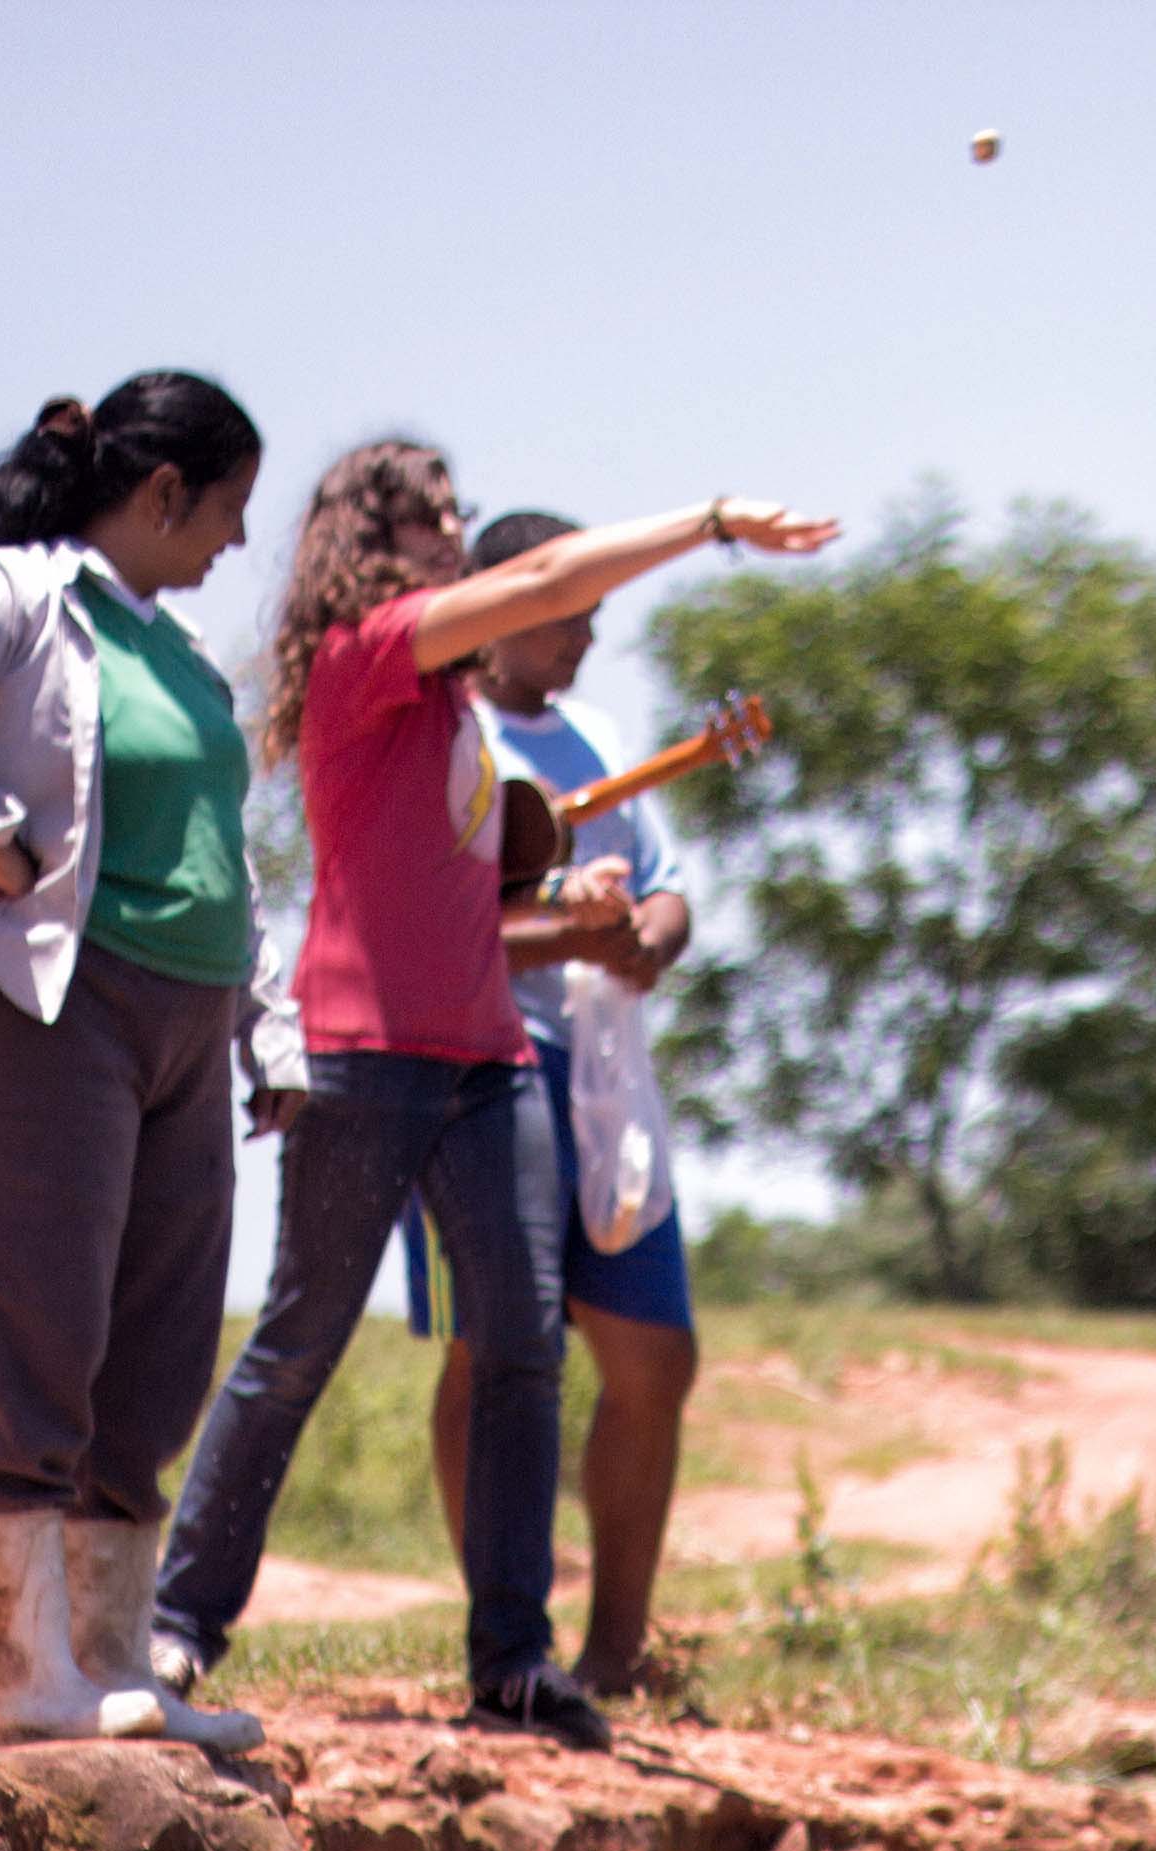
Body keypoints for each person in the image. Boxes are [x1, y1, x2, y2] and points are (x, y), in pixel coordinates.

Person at [152, 447, 832, 1746]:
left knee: (524, 1345)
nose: (465, 542)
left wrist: (571, 906)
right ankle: (180, 1625)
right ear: (377, 541)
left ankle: (514, 1663)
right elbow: (546, 579)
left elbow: (465, 884)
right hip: (366, 1050)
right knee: (300, 1339)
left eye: (465, 522)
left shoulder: (460, 708)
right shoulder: (366, 654)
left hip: (489, 1059)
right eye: (441, 522)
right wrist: (707, 523)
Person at [0, 373, 275, 1751]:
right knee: (36, 1329)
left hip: (190, 1025)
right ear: (161, 495)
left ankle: (110, 1666)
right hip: (52, 1006)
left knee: (156, 1344)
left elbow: (222, 852)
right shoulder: (22, 593)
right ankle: (29, 1676)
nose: (235, 543)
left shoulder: (181, 651)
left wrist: (273, 1030)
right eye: (226, 510)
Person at [428, 506, 701, 1701]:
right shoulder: (448, 739)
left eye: (596, 610)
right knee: (502, 1345)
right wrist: (563, 929)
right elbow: (430, 927)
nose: (587, 631)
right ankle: (512, 1639)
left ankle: (618, 1650)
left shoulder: (598, 735)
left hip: (604, 1083)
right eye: (565, 609)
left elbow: (671, 884)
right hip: (482, 1067)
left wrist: (649, 934)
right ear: (500, 607)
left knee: (656, 1360)